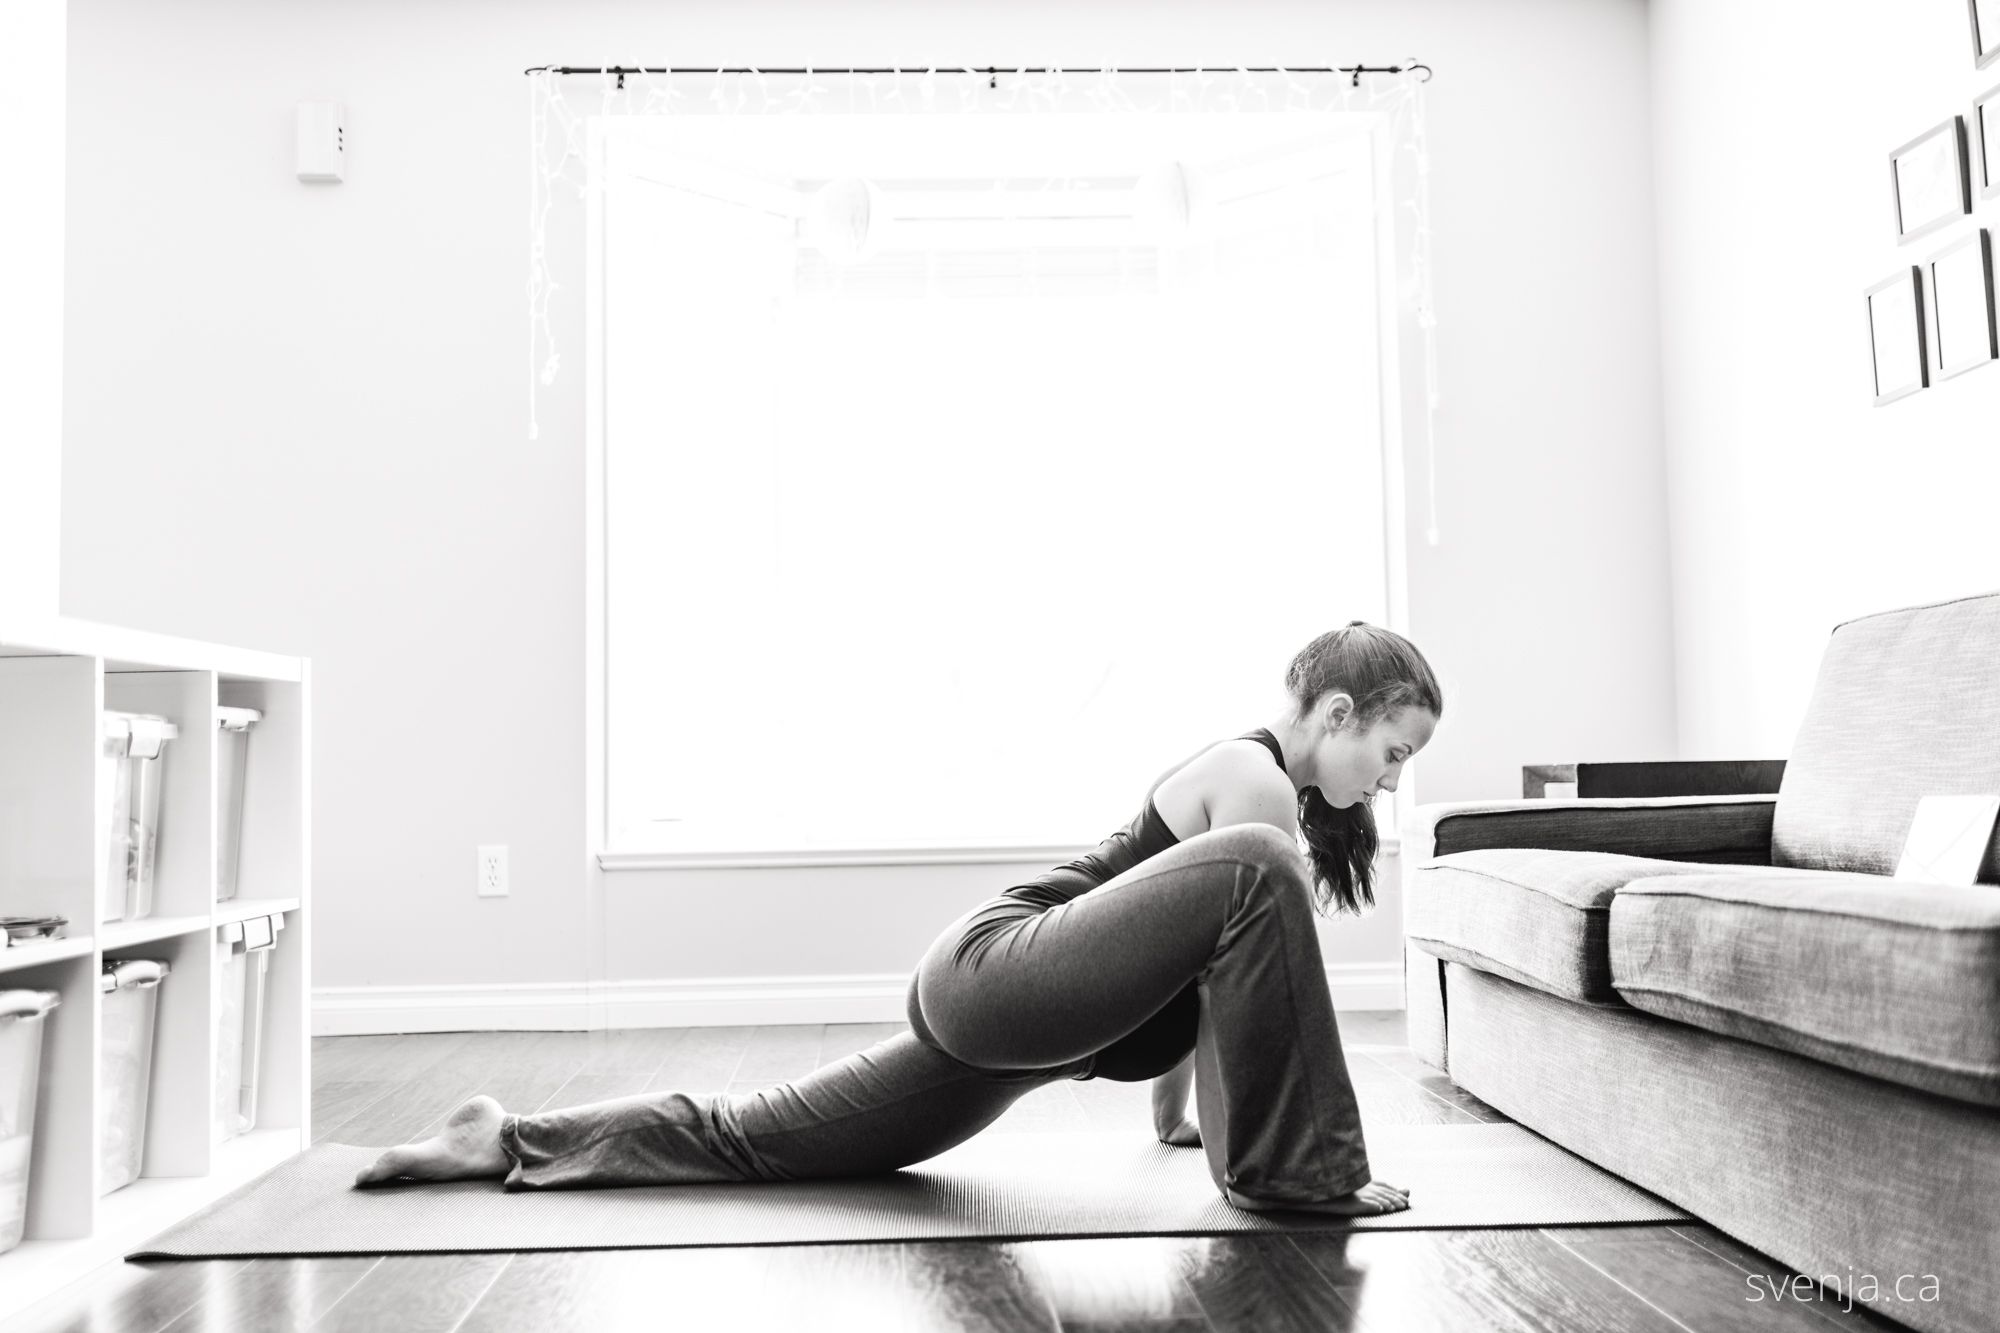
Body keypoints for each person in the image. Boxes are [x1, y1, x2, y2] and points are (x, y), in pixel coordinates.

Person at [355, 621, 1441, 1217]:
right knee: (1262, 867)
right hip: (1002, 969)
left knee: (761, 1136)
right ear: (1335, 713)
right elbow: (1243, 973)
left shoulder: (1263, 813)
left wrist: (1174, 1122)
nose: (1389, 780)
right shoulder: (1252, 789)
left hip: (1015, 1026)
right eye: (1391, 752)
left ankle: (500, 1137)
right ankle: (1302, 1174)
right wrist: (1301, 1165)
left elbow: (1217, 981)